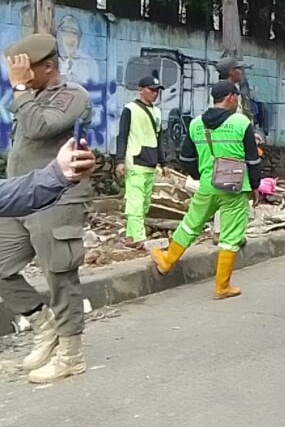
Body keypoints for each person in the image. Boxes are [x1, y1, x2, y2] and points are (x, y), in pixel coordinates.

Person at [0, 34, 93, 384]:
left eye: (25, 67)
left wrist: (21, 90)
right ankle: (45, 327)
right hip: (19, 197)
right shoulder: (30, 97)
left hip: (58, 197)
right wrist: (25, 92)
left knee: (60, 274)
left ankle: (70, 354)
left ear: (49, 67)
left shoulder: (73, 95)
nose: (17, 74)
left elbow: (39, 127)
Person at [151, 82, 263, 300]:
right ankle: (222, 287)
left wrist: (201, 174)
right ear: (231, 97)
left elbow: (186, 159)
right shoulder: (241, 122)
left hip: (207, 185)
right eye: (236, 96)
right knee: (231, 236)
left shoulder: (195, 124)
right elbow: (252, 158)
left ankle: (166, 261)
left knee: (191, 224)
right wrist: (255, 185)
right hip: (235, 187)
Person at [116, 76, 163, 248]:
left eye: (157, 90)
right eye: (151, 90)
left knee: (144, 203)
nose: (155, 93)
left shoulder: (157, 112)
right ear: (140, 89)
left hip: (150, 162)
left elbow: (160, 138)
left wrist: (163, 162)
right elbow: (122, 136)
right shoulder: (130, 109)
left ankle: (130, 236)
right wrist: (120, 161)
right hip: (135, 161)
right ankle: (138, 237)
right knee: (135, 201)